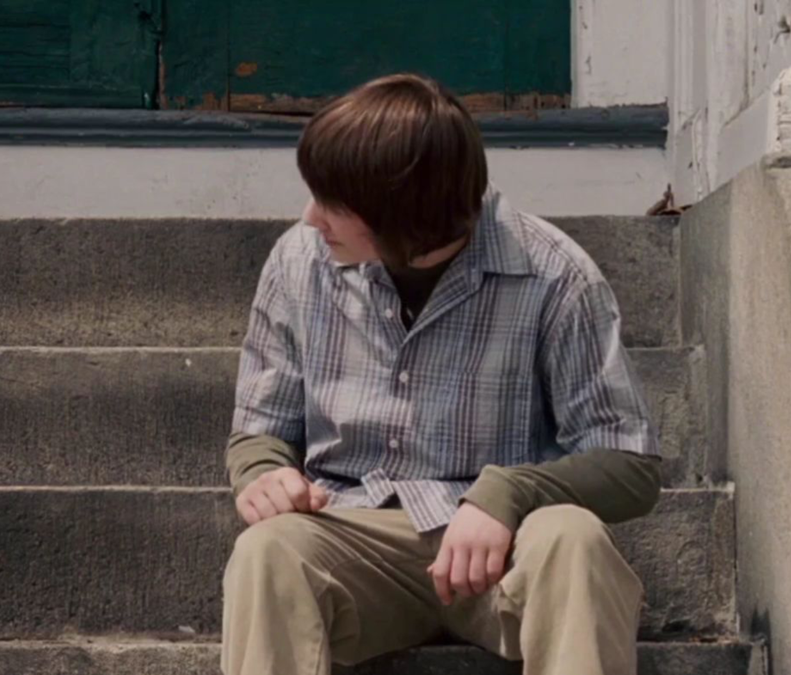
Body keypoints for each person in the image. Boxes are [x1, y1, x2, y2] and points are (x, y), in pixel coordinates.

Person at [222, 73, 662, 675]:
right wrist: (264, 472)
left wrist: (510, 494)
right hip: (352, 541)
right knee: (266, 551)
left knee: (574, 538)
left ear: (403, 217)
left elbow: (631, 466)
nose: (310, 217)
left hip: (507, 555)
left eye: (334, 204)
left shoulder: (556, 273)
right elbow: (260, 429)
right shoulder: (299, 261)